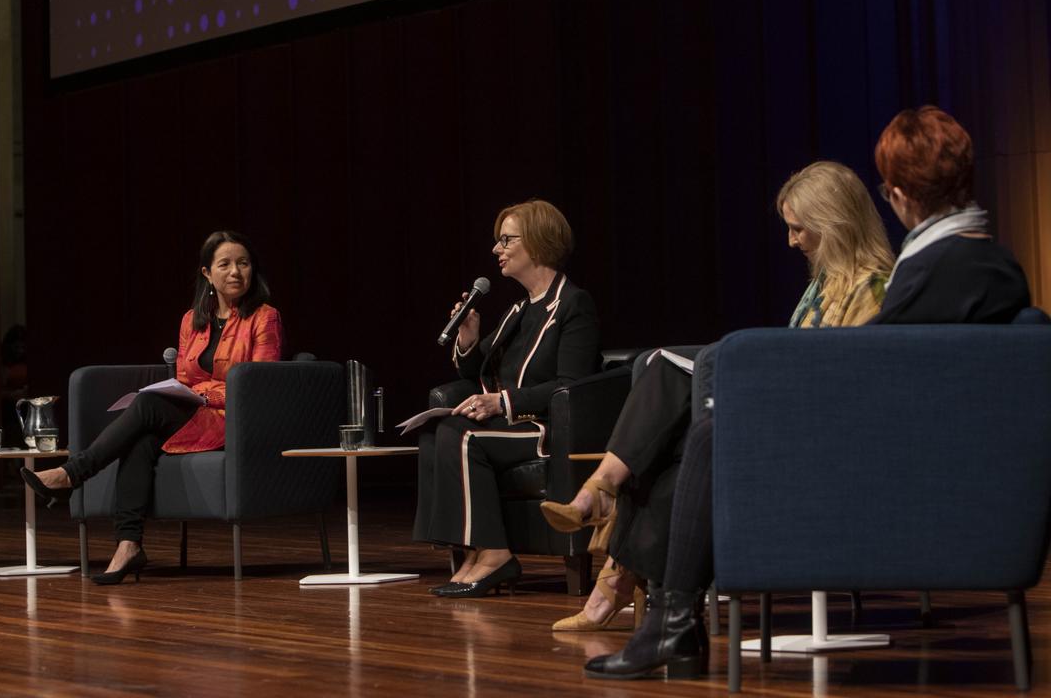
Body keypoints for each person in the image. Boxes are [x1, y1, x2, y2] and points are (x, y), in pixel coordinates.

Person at [584, 107, 1030, 680]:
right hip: (900, 450)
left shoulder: (944, 268)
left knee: (712, 432)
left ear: (896, 194)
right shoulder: (978, 263)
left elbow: (873, 367)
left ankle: (673, 625)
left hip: (887, 468)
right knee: (699, 438)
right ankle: (673, 623)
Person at [543, 161, 895, 633]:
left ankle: (608, 524)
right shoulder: (822, 285)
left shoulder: (875, 286)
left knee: (672, 366)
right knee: (673, 430)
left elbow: (849, 384)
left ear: (834, 221)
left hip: (817, 439)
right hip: (782, 417)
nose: (791, 241)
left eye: (798, 229)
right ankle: (627, 573)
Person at [21, 230, 282, 585]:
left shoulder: (265, 317)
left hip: (234, 418)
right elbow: (187, 377)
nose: (236, 272)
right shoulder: (192, 320)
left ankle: (72, 473)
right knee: (139, 440)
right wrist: (188, 393)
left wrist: (205, 396)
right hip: (194, 412)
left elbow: (260, 384)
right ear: (207, 273)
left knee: (146, 405)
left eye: (243, 263)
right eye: (225, 264)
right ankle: (128, 544)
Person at [413, 199, 601, 598]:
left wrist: (503, 403)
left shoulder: (572, 305)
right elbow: (476, 371)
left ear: (536, 242)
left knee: (463, 436)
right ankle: (472, 551)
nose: (497, 249)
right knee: (435, 433)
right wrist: (468, 337)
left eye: (506, 240)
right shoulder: (517, 309)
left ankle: (496, 555)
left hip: (544, 425)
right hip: (509, 421)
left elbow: (574, 384)